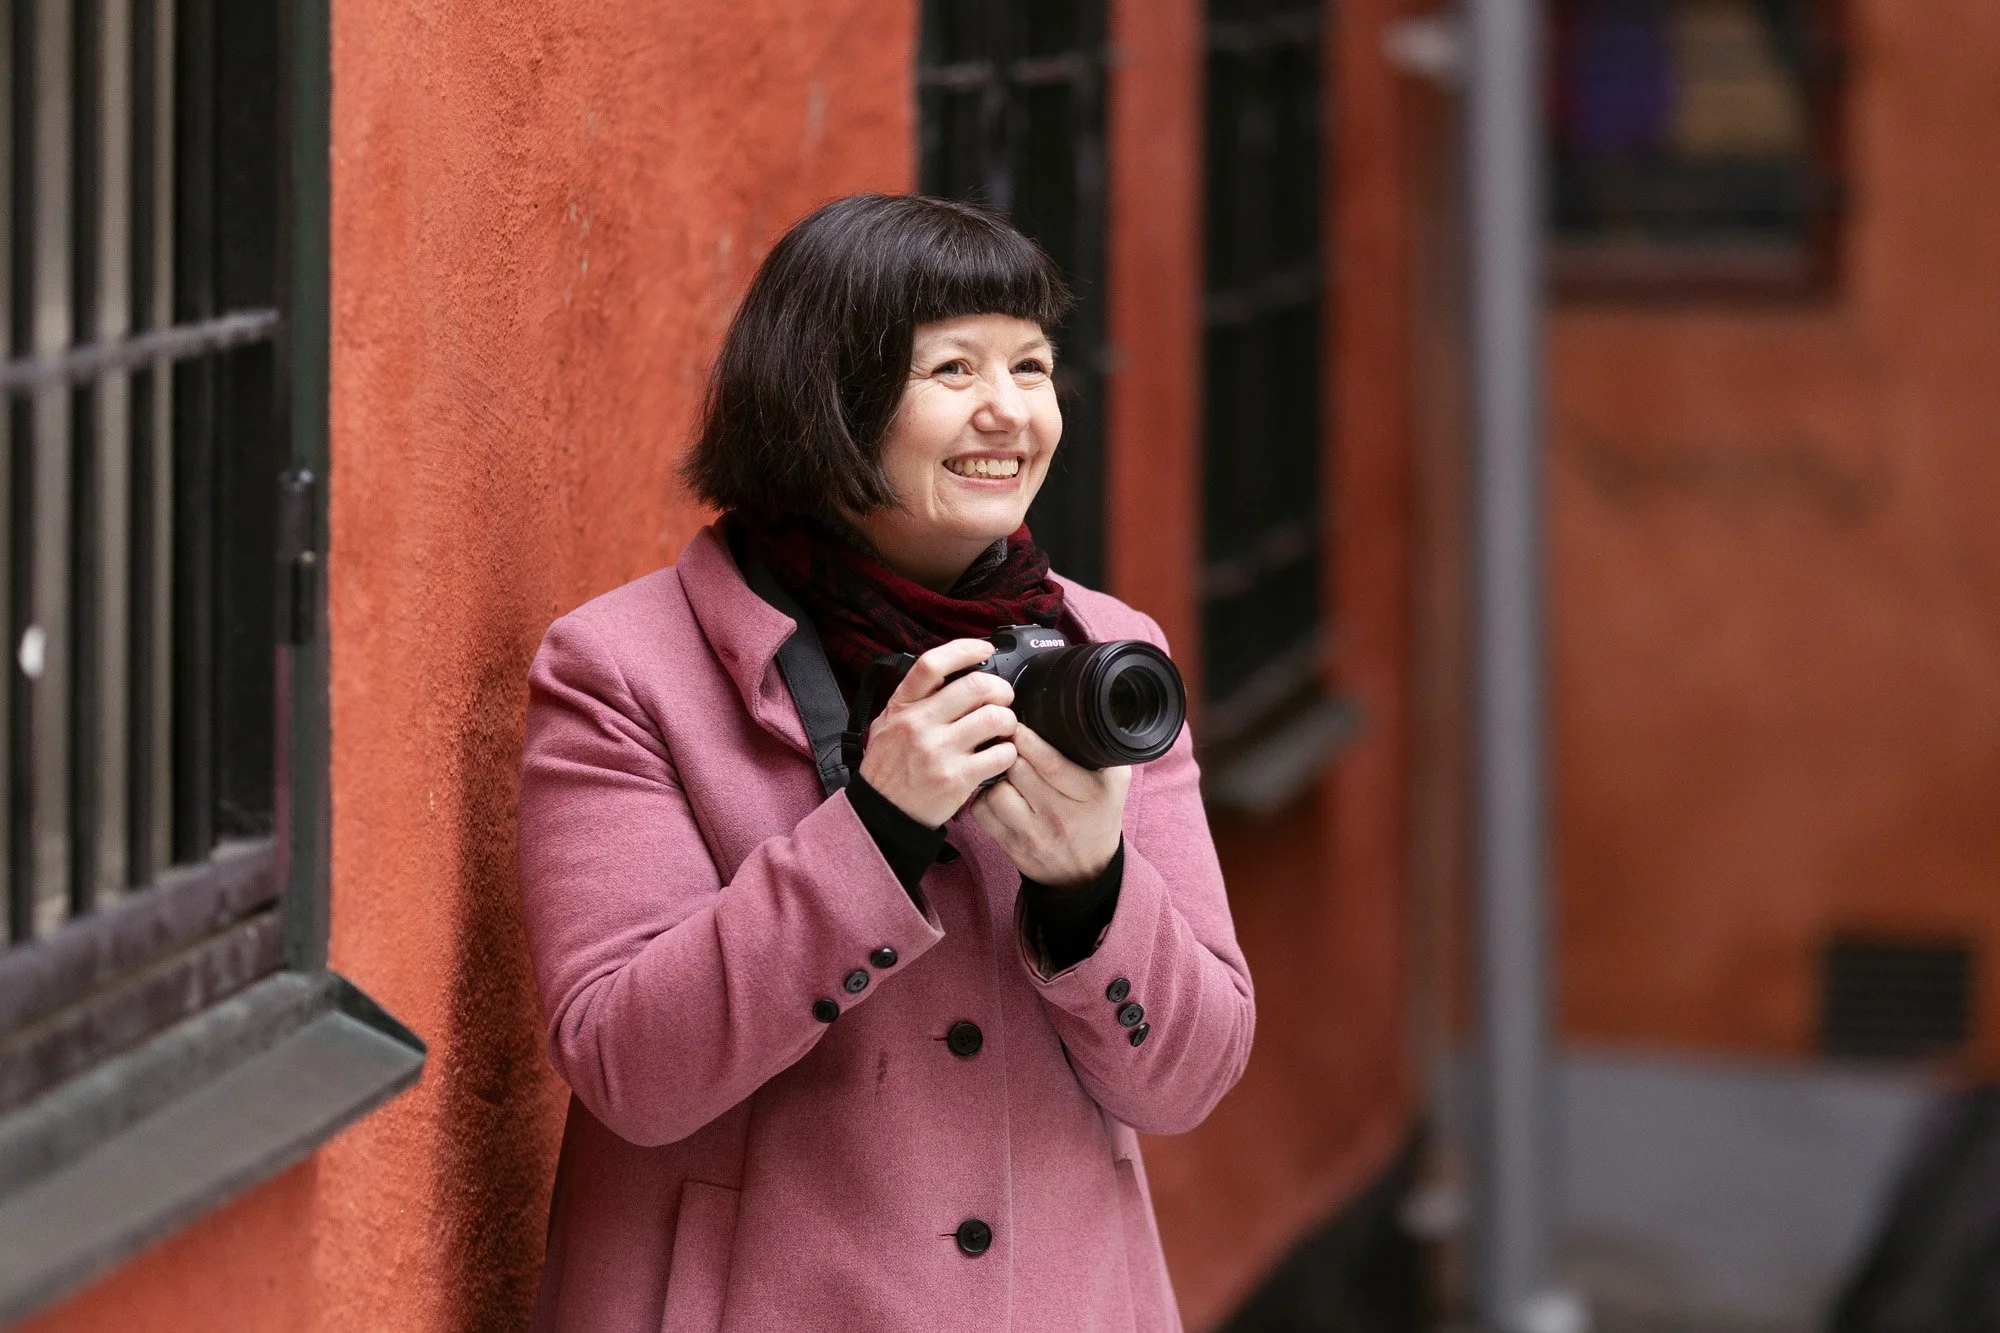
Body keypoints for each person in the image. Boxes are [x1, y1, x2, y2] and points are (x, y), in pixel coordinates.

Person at [516, 193, 1253, 1332]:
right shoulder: (623, 670)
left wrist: (1091, 889)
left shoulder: (1109, 661)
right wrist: (872, 833)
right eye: (952, 370)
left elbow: (1191, 1077)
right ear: (826, 399)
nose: (1008, 412)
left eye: (1032, 366)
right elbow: (628, 1067)